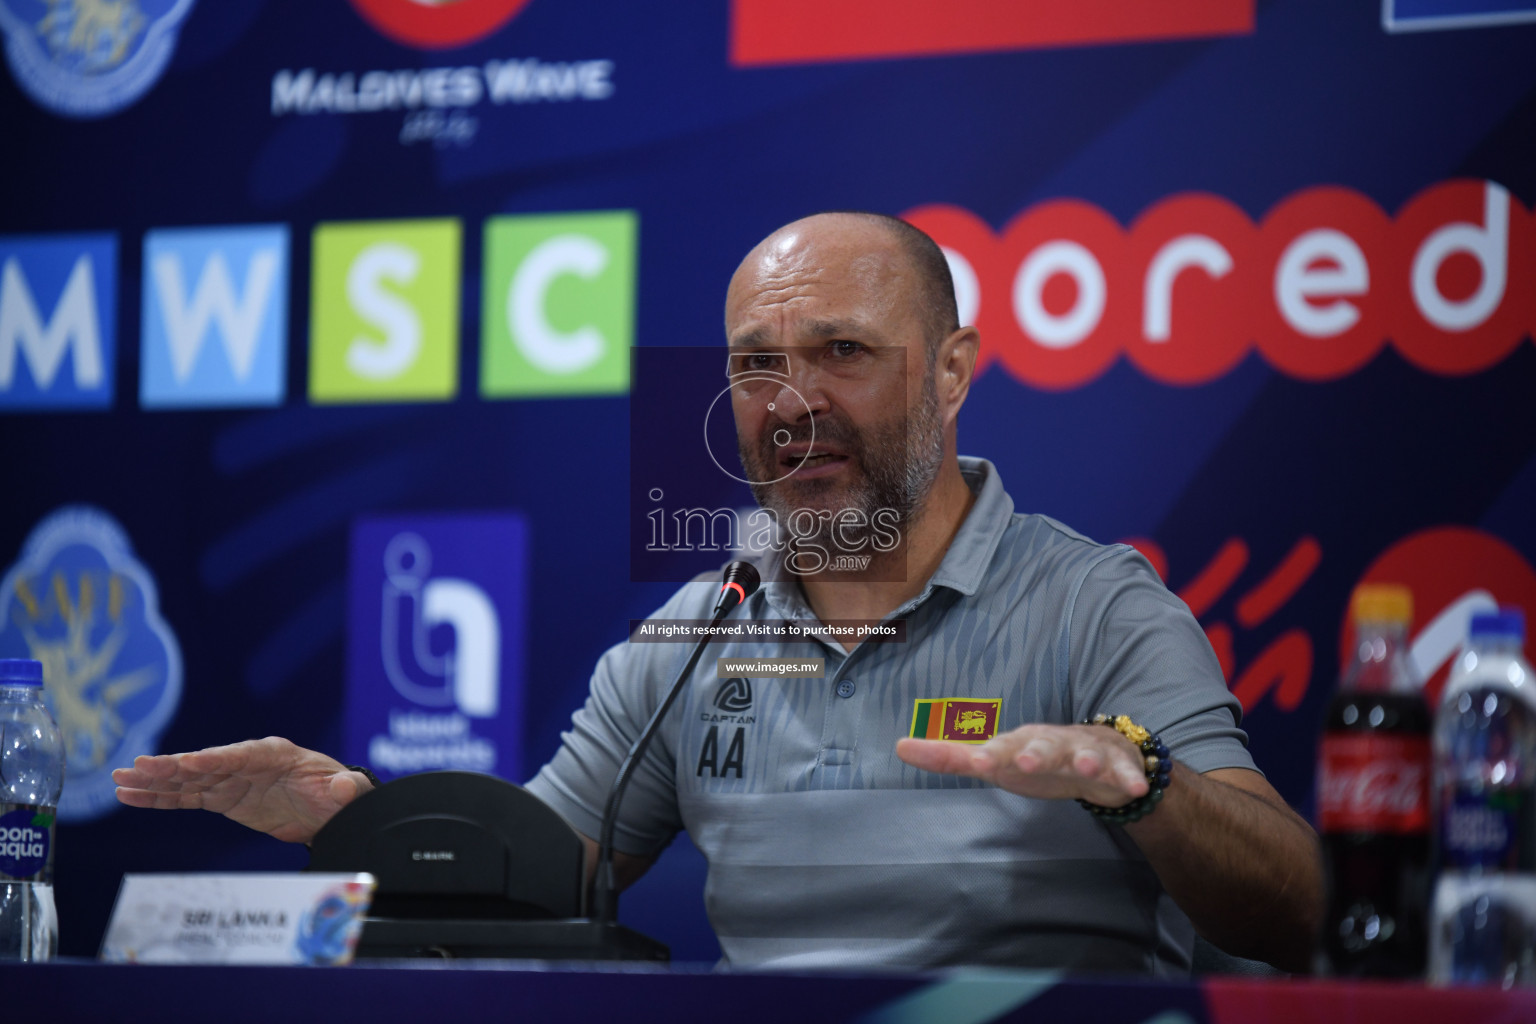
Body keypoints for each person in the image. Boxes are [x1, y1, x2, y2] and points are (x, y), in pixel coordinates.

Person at [114, 212, 1322, 975]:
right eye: (756, 366)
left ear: (953, 375)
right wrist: (357, 819)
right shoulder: (696, 635)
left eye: (843, 352)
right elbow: (537, 879)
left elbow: (1294, 908)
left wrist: (1141, 782)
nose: (792, 403)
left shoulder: (1095, 608)